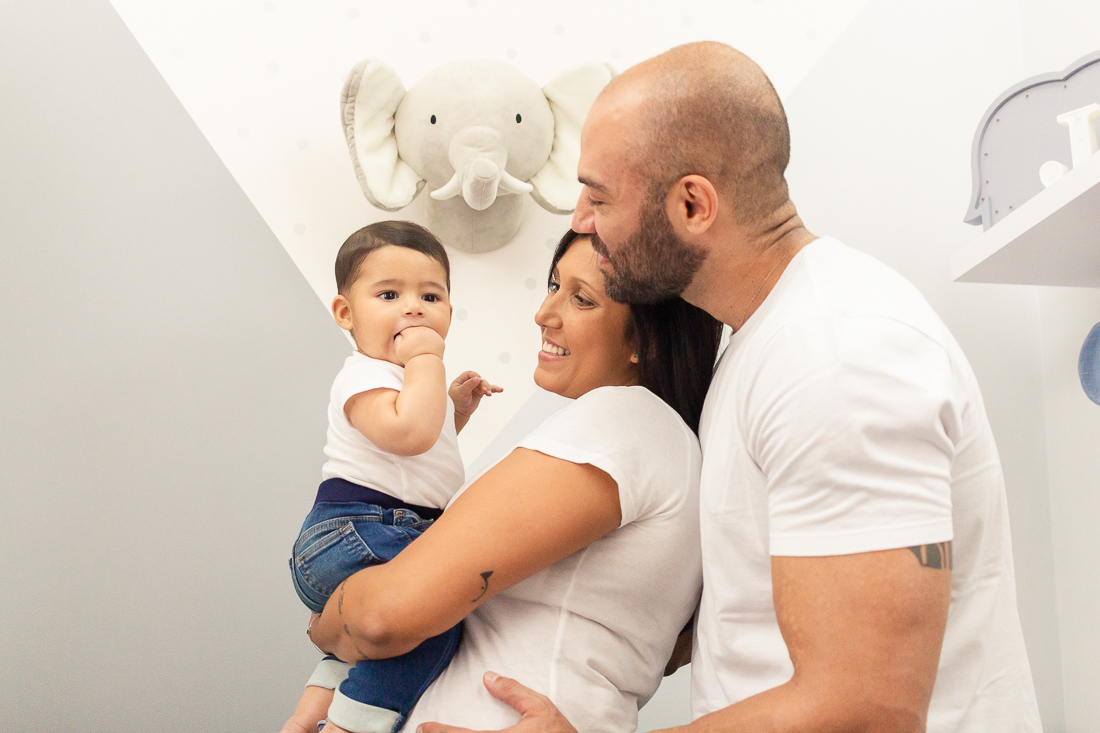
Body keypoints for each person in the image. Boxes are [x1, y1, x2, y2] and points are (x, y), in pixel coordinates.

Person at [417, 42, 1043, 733]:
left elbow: (868, 707)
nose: (581, 222)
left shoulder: (836, 356)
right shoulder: (762, 344)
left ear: (693, 204)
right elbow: (762, 612)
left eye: (599, 195)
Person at [307, 229, 724, 733]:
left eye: (581, 299)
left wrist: (325, 623)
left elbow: (381, 619)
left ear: (645, 341)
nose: (544, 314)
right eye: (553, 285)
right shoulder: (662, 443)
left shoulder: (624, 421)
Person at [281, 220, 502, 733]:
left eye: (431, 295)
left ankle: (307, 717)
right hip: (360, 527)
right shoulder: (363, 372)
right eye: (389, 293)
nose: (413, 307)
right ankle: (349, 727)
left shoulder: (404, 382)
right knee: (431, 620)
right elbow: (410, 435)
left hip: (379, 531)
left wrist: (453, 412)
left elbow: (420, 452)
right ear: (346, 312)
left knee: (381, 644)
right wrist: (427, 359)